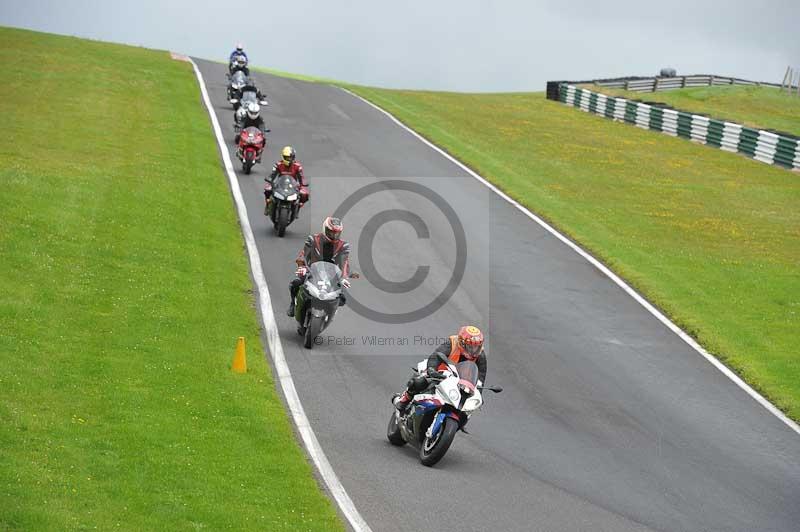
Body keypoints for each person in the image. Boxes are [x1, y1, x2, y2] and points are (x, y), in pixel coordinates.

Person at [393, 325, 487, 412]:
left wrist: (479, 393)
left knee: (469, 402)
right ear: (462, 343)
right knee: (420, 381)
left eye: (476, 347)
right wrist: (431, 369)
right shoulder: (452, 343)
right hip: (440, 373)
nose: (473, 350)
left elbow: (481, 376)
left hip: (461, 381)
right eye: (470, 346)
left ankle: (460, 418)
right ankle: (404, 399)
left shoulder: (480, 355)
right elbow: (436, 356)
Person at [287, 217, 352, 317]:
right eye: (331, 233)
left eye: (336, 233)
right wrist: (302, 267)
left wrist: (343, 278)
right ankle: (292, 304)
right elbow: (303, 255)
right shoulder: (313, 239)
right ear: (325, 230)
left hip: (331, 276)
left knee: (342, 298)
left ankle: (330, 314)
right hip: (311, 271)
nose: (334, 236)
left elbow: (344, 263)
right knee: (295, 283)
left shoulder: (343, 246)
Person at [264, 146, 309, 215]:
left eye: (291, 157)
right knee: (267, 189)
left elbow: (301, 177)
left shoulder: (298, 166)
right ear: (283, 157)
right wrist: (269, 180)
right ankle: (267, 205)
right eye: (288, 157)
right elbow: (272, 175)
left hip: (292, 186)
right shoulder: (278, 165)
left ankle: (298, 207)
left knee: (305, 194)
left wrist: (303, 184)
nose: (290, 159)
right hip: (280, 185)